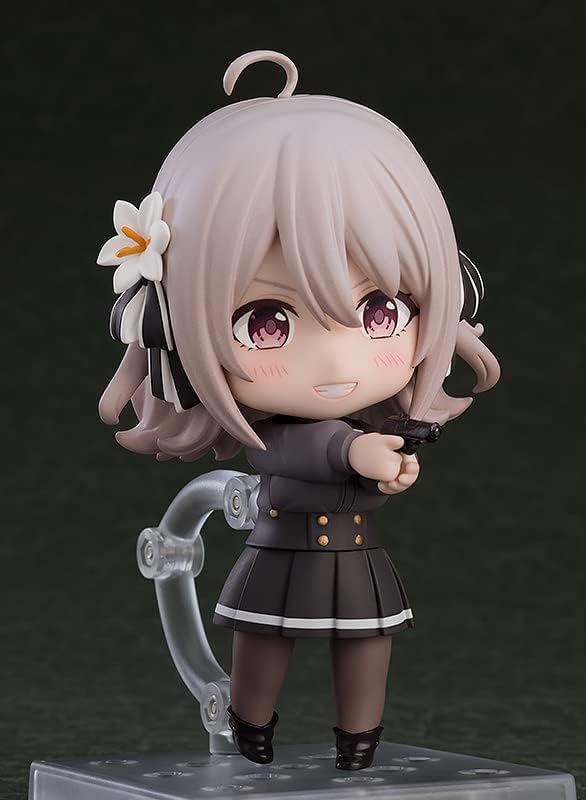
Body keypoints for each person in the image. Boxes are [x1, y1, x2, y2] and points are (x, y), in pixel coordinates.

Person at [96, 50, 500, 770]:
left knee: (367, 645)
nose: (340, 363)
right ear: (169, 318)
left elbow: (362, 457)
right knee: (262, 642)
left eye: (381, 312)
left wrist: (387, 465)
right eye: (267, 322)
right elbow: (284, 448)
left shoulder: (376, 420)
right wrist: (352, 452)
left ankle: (359, 747)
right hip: (278, 548)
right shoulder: (284, 434)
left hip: (356, 553)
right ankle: (250, 731)